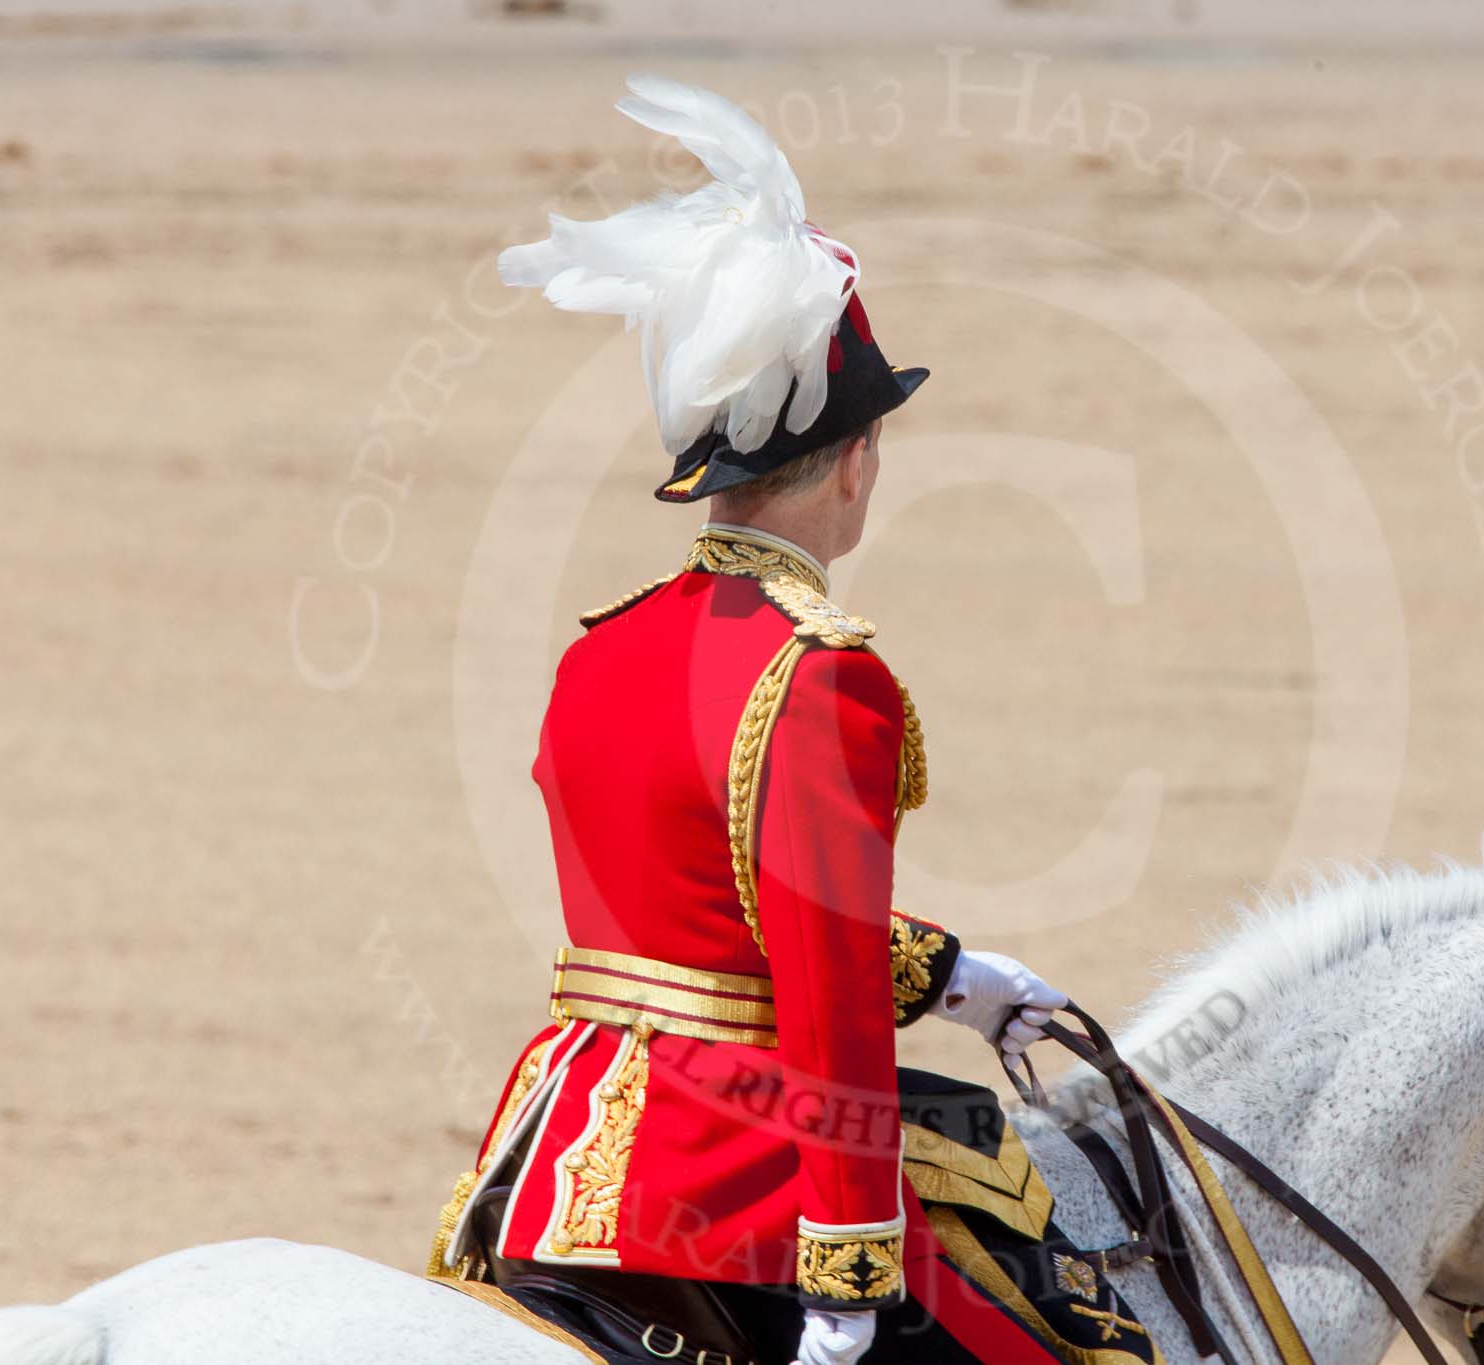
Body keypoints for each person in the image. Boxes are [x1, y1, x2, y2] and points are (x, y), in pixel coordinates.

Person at [425, 78, 1080, 1365]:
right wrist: (846, 1276)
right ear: (851, 462)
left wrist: (950, 976)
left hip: (565, 1137)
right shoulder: (823, 673)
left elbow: (707, 908)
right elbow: (821, 985)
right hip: (729, 1172)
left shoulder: (602, 649)